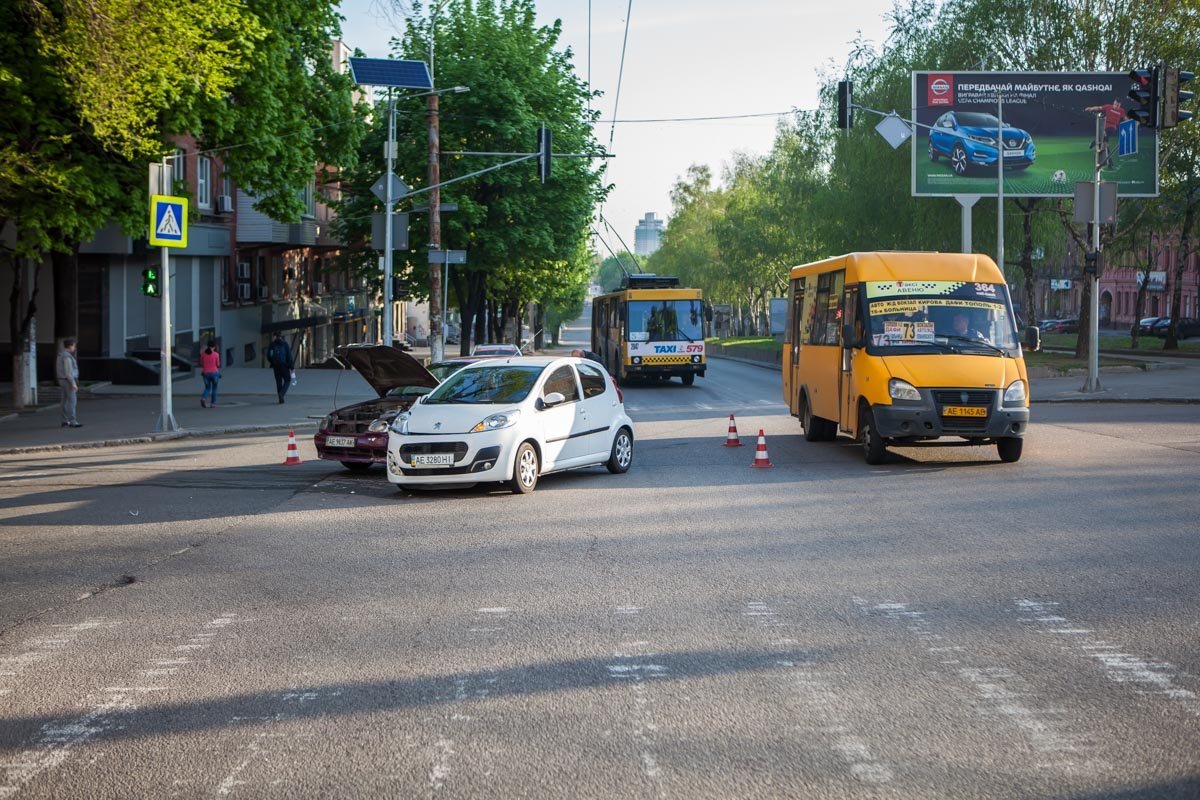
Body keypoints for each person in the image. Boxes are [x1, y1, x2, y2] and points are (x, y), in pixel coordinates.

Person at [1084, 98, 1126, 165]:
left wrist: (1132, 122)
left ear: (1120, 105)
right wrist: (1090, 108)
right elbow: (1098, 108)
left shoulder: (1122, 111)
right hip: (1104, 126)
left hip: (1112, 127)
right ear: (1113, 103)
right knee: (1104, 144)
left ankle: (1094, 142)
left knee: (1104, 136)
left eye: (1117, 105)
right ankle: (1109, 163)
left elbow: (1125, 119)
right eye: (1115, 104)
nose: (1116, 106)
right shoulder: (1108, 106)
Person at [56, 338, 81, 428]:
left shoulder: (60, 355)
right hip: (68, 381)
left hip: (62, 380)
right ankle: (73, 421)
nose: (74, 348)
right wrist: (73, 383)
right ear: (70, 346)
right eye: (74, 346)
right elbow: (68, 372)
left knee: (64, 401)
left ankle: (64, 421)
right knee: (72, 401)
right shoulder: (67, 356)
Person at [266, 332, 294, 403]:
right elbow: (289, 356)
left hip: (276, 366)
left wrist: (272, 362)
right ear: (281, 336)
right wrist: (291, 366)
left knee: (278, 381)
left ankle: (280, 398)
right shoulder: (285, 344)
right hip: (284, 365)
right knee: (287, 380)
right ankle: (282, 394)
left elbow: (269, 356)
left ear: (274, 336)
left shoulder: (272, 345)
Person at [199, 340, 221, 408]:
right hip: (215, 373)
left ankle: (203, 398)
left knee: (207, 388)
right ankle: (213, 404)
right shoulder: (216, 354)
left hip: (206, 374)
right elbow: (218, 364)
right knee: (214, 388)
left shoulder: (203, 354)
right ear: (214, 347)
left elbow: (201, 363)